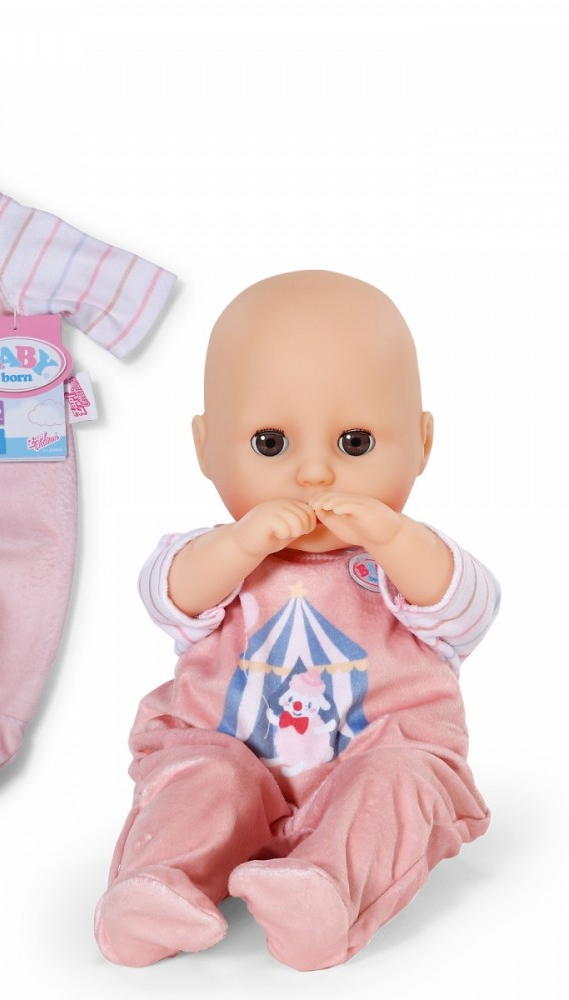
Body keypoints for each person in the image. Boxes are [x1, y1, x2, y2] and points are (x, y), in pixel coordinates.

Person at [94, 271, 499, 970]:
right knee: (199, 781)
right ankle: (152, 889)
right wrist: (241, 545)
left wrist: (392, 537)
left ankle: (326, 895)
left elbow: (469, 607)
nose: (314, 474)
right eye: (271, 443)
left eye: (355, 442)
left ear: (422, 442)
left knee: (398, 782)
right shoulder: (212, 555)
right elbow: (169, 597)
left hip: (372, 764)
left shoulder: (407, 562)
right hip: (229, 757)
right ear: (205, 447)